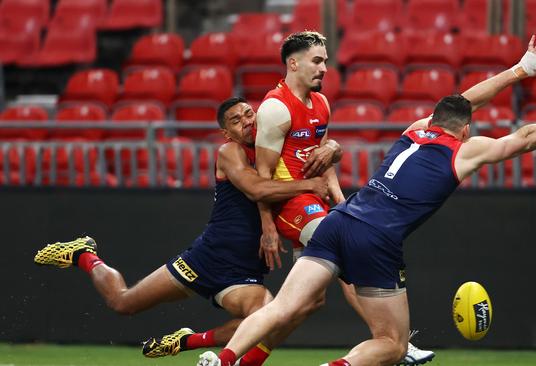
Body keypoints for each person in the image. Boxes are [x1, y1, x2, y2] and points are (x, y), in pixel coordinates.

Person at [196, 35, 536, 366]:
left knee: (282, 306)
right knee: (392, 345)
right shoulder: (463, 151)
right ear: (465, 130)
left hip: (341, 218)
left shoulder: (417, 127)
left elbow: (465, 102)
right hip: (375, 239)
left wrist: (519, 70)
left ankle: (222, 359)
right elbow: (524, 137)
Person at [33, 97, 330, 363]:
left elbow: (318, 145)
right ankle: (85, 254)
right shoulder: (230, 151)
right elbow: (255, 189)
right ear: (226, 133)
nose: (247, 122)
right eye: (236, 121)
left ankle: (187, 341)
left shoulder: (276, 151)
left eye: (249, 114)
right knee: (123, 302)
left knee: (265, 318)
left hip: (244, 271)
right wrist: (309, 184)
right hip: (207, 259)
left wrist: (332, 147)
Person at [254, 31, 434, 365]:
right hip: (288, 206)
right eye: (316, 61)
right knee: (351, 257)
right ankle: (394, 342)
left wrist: (340, 204)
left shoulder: (320, 103)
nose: (324, 68)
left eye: (325, 61)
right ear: (293, 63)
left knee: (306, 302)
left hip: (316, 203)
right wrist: (266, 226)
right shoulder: (275, 108)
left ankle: (241, 359)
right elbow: (262, 175)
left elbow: (322, 162)